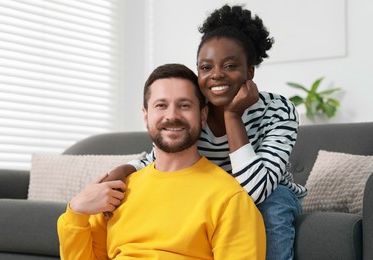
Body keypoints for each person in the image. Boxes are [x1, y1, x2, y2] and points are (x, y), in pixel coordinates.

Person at [105, 4, 307, 260]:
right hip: (209, 192)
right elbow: (159, 157)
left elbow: (256, 191)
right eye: (206, 67)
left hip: (267, 192)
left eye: (230, 66)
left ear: (250, 71)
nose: (216, 76)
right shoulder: (194, 109)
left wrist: (232, 116)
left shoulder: (278, 110)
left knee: (273, 207)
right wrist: (124, 170)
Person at [57, 63, 266, 259]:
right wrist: (77, 211)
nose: (172, 115)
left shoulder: (230, 199)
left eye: (184, 105)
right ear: (146, 116)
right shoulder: (116, 192)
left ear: (202, 116)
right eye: (161, 105)